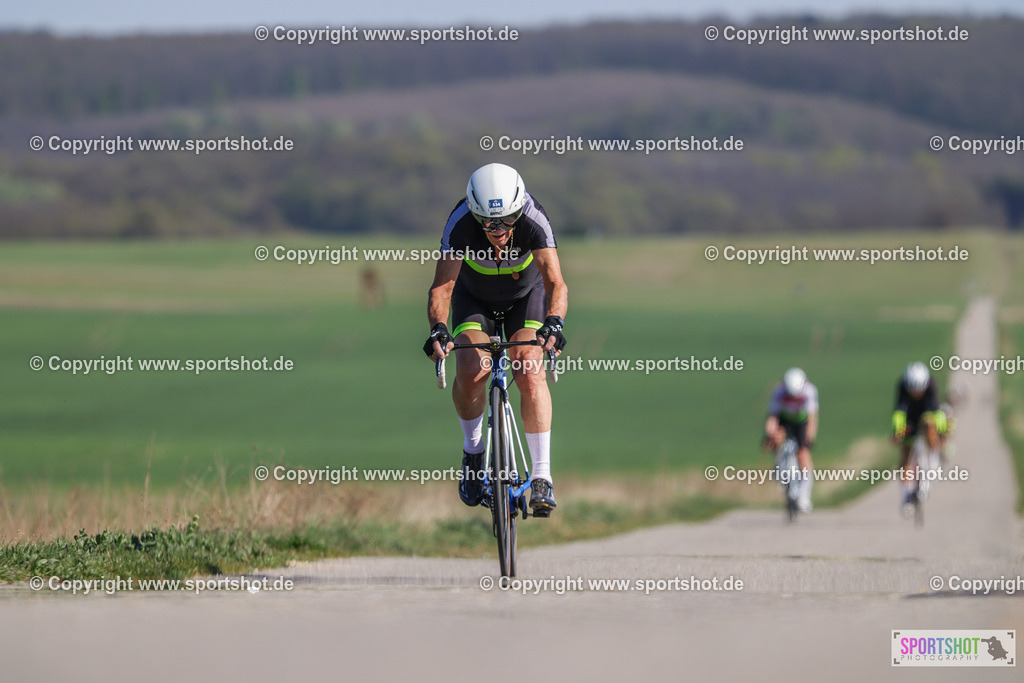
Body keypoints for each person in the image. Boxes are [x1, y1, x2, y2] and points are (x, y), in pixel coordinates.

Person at [423, 163, 568, 517]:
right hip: (475, 299)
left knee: (528, 366)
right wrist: (438, 329)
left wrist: (554, 322)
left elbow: (555, 284)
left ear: (519, 210)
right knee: (472, 366)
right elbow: (443, 288)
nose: (498, 229)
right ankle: (474, 452)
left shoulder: (534, 219)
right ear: (474, 214)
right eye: (488, 222)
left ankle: (542, 475)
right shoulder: (459, 223)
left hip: (525, 297)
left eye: (507, 219)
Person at [890, 362, 946, 517]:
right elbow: (899, 412)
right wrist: (898, 432)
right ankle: (906, 495)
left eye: (918, 390)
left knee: (929, 424)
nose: (915, 393)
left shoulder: (930, 386)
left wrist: (940, 432)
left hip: (926, 413)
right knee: (906, 456)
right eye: (912, 390)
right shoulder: (902, 386)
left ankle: (933, 459)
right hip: (910, 416)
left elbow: (937, 412)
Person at [763, 367, 818, 513]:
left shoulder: (809, 391)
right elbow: (773, 417)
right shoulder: (779, 392)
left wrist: (808, 441)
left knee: (803, 455)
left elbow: (812, 419)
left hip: (801, 422)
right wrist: (770, 435)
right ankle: (779, 468)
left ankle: (804, 497)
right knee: (776, 439)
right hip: (784, 420)